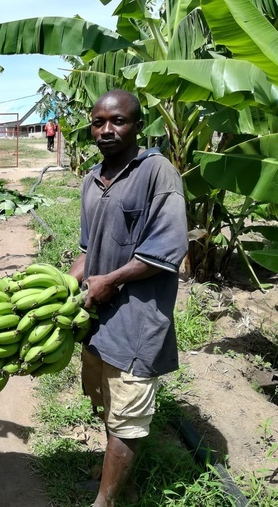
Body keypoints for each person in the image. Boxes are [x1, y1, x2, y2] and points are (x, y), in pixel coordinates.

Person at [68, 89, 188, 507]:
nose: (106, 130)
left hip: (137, 320)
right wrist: (63, 287)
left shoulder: (157, 173)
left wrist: (111, 281)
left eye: (117, 121)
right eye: (98, 122)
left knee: (128, 419)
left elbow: (168, 251)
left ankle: (105, 502)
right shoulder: (91, 179)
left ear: (138, 124)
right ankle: (121, 484)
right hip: (97, 321)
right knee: (105, 403)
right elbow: (87, 250)